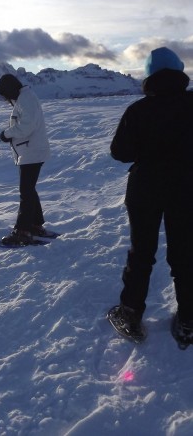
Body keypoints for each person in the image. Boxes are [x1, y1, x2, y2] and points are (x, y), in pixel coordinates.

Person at [109, 46, 193, 343]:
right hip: (187, 187)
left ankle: (130, 312)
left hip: (145, 188)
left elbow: (119, 152)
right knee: (186, 252)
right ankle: (188, 320)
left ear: (149, 75)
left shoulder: (138, 110)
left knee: (141, 251)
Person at [0, 74, 51, 246]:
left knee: (26, 192)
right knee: (29, 189)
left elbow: (27, 126)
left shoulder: (26, 99)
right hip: (30, 151)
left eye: (5, 94)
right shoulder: (24, 98)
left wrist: (7, 134)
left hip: (32, 151)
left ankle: (23, 231)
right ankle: (35, 225)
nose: (6, 99)